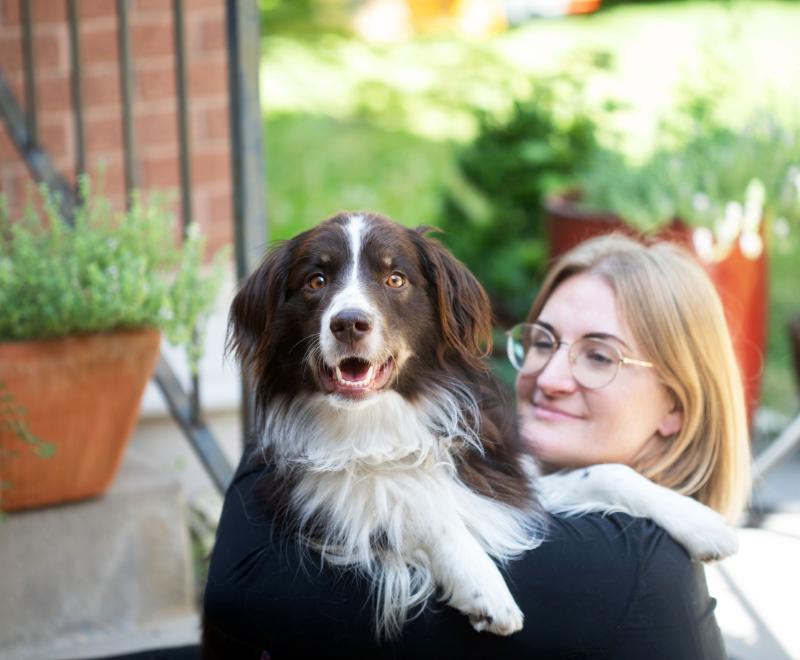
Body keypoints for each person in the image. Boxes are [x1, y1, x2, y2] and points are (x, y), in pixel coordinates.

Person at [203, 234, 750, 659]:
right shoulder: (497, 460)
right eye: (543, 340)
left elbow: (242, 584)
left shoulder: (634, 564)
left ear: (677, 406)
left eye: (600, 356)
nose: (550, 375)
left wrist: (435, 533)